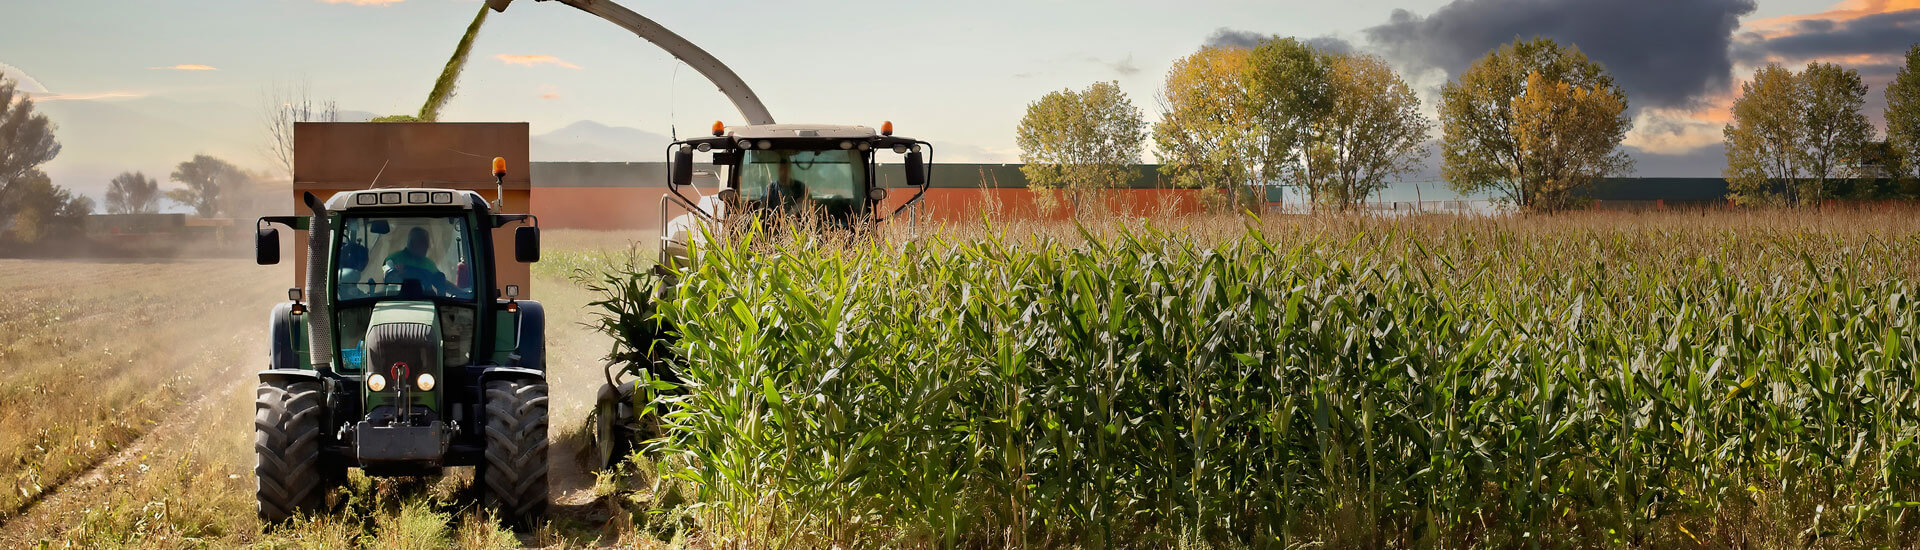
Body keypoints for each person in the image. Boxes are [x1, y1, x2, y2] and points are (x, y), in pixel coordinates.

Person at [383, 227, 449, 295]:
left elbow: (442, 282)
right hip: (396, 301)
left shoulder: (429, 264)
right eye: (423, 243)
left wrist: (459, 292)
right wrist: (398, 274)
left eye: (427, 243)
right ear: (412, 243)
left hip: (426, 302)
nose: (427, 247)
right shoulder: (392, 259)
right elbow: (388, 279)